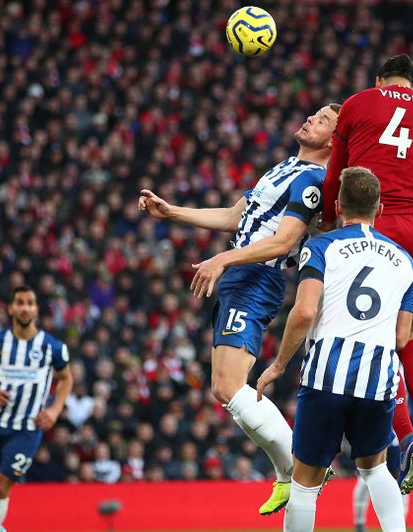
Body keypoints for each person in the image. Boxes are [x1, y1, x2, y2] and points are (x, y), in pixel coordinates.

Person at [138, 104, 339, 515]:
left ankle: (304, 470)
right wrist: (170, 211)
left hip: (256, 277)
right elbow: (235, 216)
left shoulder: (313, 180)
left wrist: (223, 260)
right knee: (223, 388)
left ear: (335, 141)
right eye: (313, 114)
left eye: (322, 120)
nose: (309, 119)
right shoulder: (284, 167)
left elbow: (284, 244)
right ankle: (291, 472)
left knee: (230, 387)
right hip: (240, 275)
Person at [256, 167, 413, 532]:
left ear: (339, 205)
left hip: (327, 375)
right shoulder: (405, 260)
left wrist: (280, 364)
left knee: (305, 482)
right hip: (378, 380)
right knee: (375, 469)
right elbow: (403, 337)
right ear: (380, 208)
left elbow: (306, 309)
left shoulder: (320, 246)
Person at [320, 53, 413, 491]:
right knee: (406, 334)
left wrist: (326, 217)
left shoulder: (359, 102)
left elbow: (338, 170)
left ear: (379, 80)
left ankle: (408, 437)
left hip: (372, 222)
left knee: (371, 338)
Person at [0, 285, 73, 532]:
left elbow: (66, 378)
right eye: (20, 302)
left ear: (36, 309)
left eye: (30, 302)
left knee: (0, 487)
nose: (25, 307)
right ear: (11, 308)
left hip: (27, 428)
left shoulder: (52, 347)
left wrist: (54, 410)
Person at [352, 434, 409, 532]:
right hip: (371, 441)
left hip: (393, 444)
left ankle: (399, 524)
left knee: (400, 484)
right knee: (363, 481)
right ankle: (359, 522)